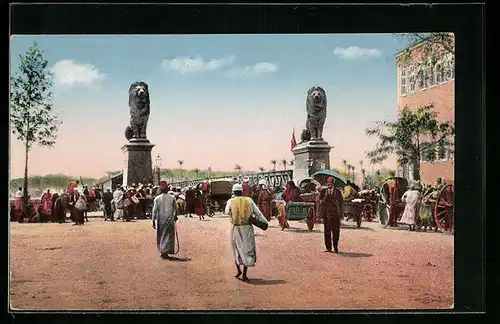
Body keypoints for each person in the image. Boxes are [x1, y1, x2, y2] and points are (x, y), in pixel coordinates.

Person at [225, 183, 268, 282]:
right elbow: (258, 213)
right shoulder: (249, 200)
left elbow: (226, 212)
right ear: (241, 191)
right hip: (248, 228)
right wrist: (265, 222)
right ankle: (244, 274)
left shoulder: (231, 201)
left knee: (236, 249)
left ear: (233, 192)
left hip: (236, 228)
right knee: (248, 250)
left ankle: (238, 270)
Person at [152, 180, 179, 260]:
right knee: (169, 235)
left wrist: (153, 220)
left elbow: (154, 210)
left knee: (161, 234)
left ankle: (163, 251)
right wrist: (175, 216)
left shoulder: (157, 198)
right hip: (169, 218)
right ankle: (166, 251)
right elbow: (176, 209)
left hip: (161, 219)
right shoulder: (172, 198)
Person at [319, 177, 343, 253]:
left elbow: (341, 203)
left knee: (336, 231)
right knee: (327, 231)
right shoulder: (323, 191)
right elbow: (320, 203)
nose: (329, 185)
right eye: (328, 184)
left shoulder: (338, 192)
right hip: (326, 214)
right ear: (326, 184)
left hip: (335, 214)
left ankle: (335, 246)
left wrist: (341, 215)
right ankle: (328, 248)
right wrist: (321, 215)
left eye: (331, 184)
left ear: (333, 184)